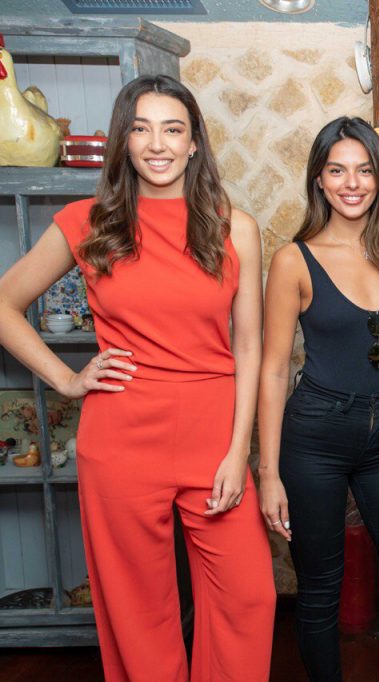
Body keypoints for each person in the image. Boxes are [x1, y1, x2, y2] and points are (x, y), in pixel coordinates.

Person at [0, 75, 275, 681]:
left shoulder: (235, 227)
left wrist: (240, 452)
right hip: (121, 436)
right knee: (138, 611)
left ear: (194, 142)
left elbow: (249, 346)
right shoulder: (87, 221)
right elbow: (4, 304)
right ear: (123, 140)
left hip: (212, 437)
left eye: (173, 129)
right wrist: (66, 380)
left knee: (249, 596)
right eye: (142, 129)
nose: (157, 144)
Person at [257, 116, 379, 682]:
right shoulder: (294, 260)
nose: (351, 183)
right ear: (319, 179)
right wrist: (268, 472)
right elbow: (272, 368)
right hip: (315, 438)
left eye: (363, 170)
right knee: (320, 590)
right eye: (337, 171)